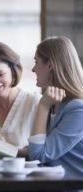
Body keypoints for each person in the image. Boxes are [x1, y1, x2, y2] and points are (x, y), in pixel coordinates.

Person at [28, 36, 83, 177]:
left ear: (50, 65)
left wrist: (43, 105)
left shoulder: (78, 110)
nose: (33, 69)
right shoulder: (55, 103)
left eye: (36, 61)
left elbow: (38, 155)